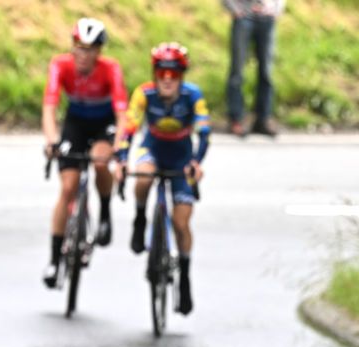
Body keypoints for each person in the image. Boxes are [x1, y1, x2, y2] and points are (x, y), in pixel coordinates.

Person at [115, 42, 211, 315]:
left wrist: (196, 163)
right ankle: (140, 217)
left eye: (174, 75)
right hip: (153, 149)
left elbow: (204, 133)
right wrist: (122, 160)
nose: (167, 80)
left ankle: (185, 280)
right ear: (155, 74)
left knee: (181, 223)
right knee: (143, 178)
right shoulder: (144, 93)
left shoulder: (193, 95)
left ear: (182, 76)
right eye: (162, 74)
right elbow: (129, 128)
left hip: (181, 157)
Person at [41, 18, 128, 289]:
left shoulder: (110, 70)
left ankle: (103, 213)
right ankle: (55, 260)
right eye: (78, 47)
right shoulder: (60, 65)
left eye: (89, 49)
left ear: (99, 52)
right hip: (75, 124)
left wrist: (119, 144)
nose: (82, 54)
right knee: (67, 188)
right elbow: (50, 107)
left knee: (100, 162)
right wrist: (52, 140)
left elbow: (122, 113)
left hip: (104, 125)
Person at [224, 0, 284, 137]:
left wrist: (276, 9)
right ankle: (236, 119)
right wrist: (234, 9)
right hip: (244, 16)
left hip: (266, 17)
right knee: (237, 71)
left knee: (266, 72)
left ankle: (263, 119)